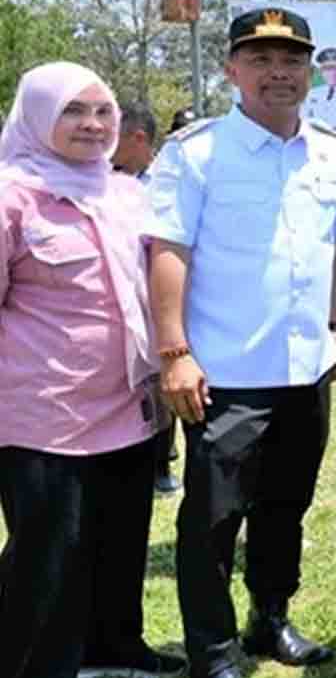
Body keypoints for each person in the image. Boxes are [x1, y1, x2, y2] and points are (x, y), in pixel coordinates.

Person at [146, 7, 336, 678]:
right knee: (213, 518)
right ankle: (212, 649)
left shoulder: (328, 149)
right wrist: (175, 352)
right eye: (261, 60)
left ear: (310, 71)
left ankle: (270, 620)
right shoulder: (197, 152)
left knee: (285, 507)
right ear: (232, 69)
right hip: (227, 371)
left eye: (291, 60)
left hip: (304, 368)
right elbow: (167, 251)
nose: (278, 73)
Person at [0, 63, 185, 678]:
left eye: (102, 111)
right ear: (36, 117)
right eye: (72, 111)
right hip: (42, 413)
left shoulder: (126, 193)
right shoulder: (12, 196)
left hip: (128, 407)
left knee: (120, 540)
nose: (92, 124)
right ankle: (33, 662)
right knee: (47, 554)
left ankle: (116, 647)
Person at [111, 102, 184, 495]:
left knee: (169, 386)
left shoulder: (168, 181)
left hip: (168, 303)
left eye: (114, 136)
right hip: (129, 303)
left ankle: (162, 464)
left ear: (137, 138)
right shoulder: (105, 184)